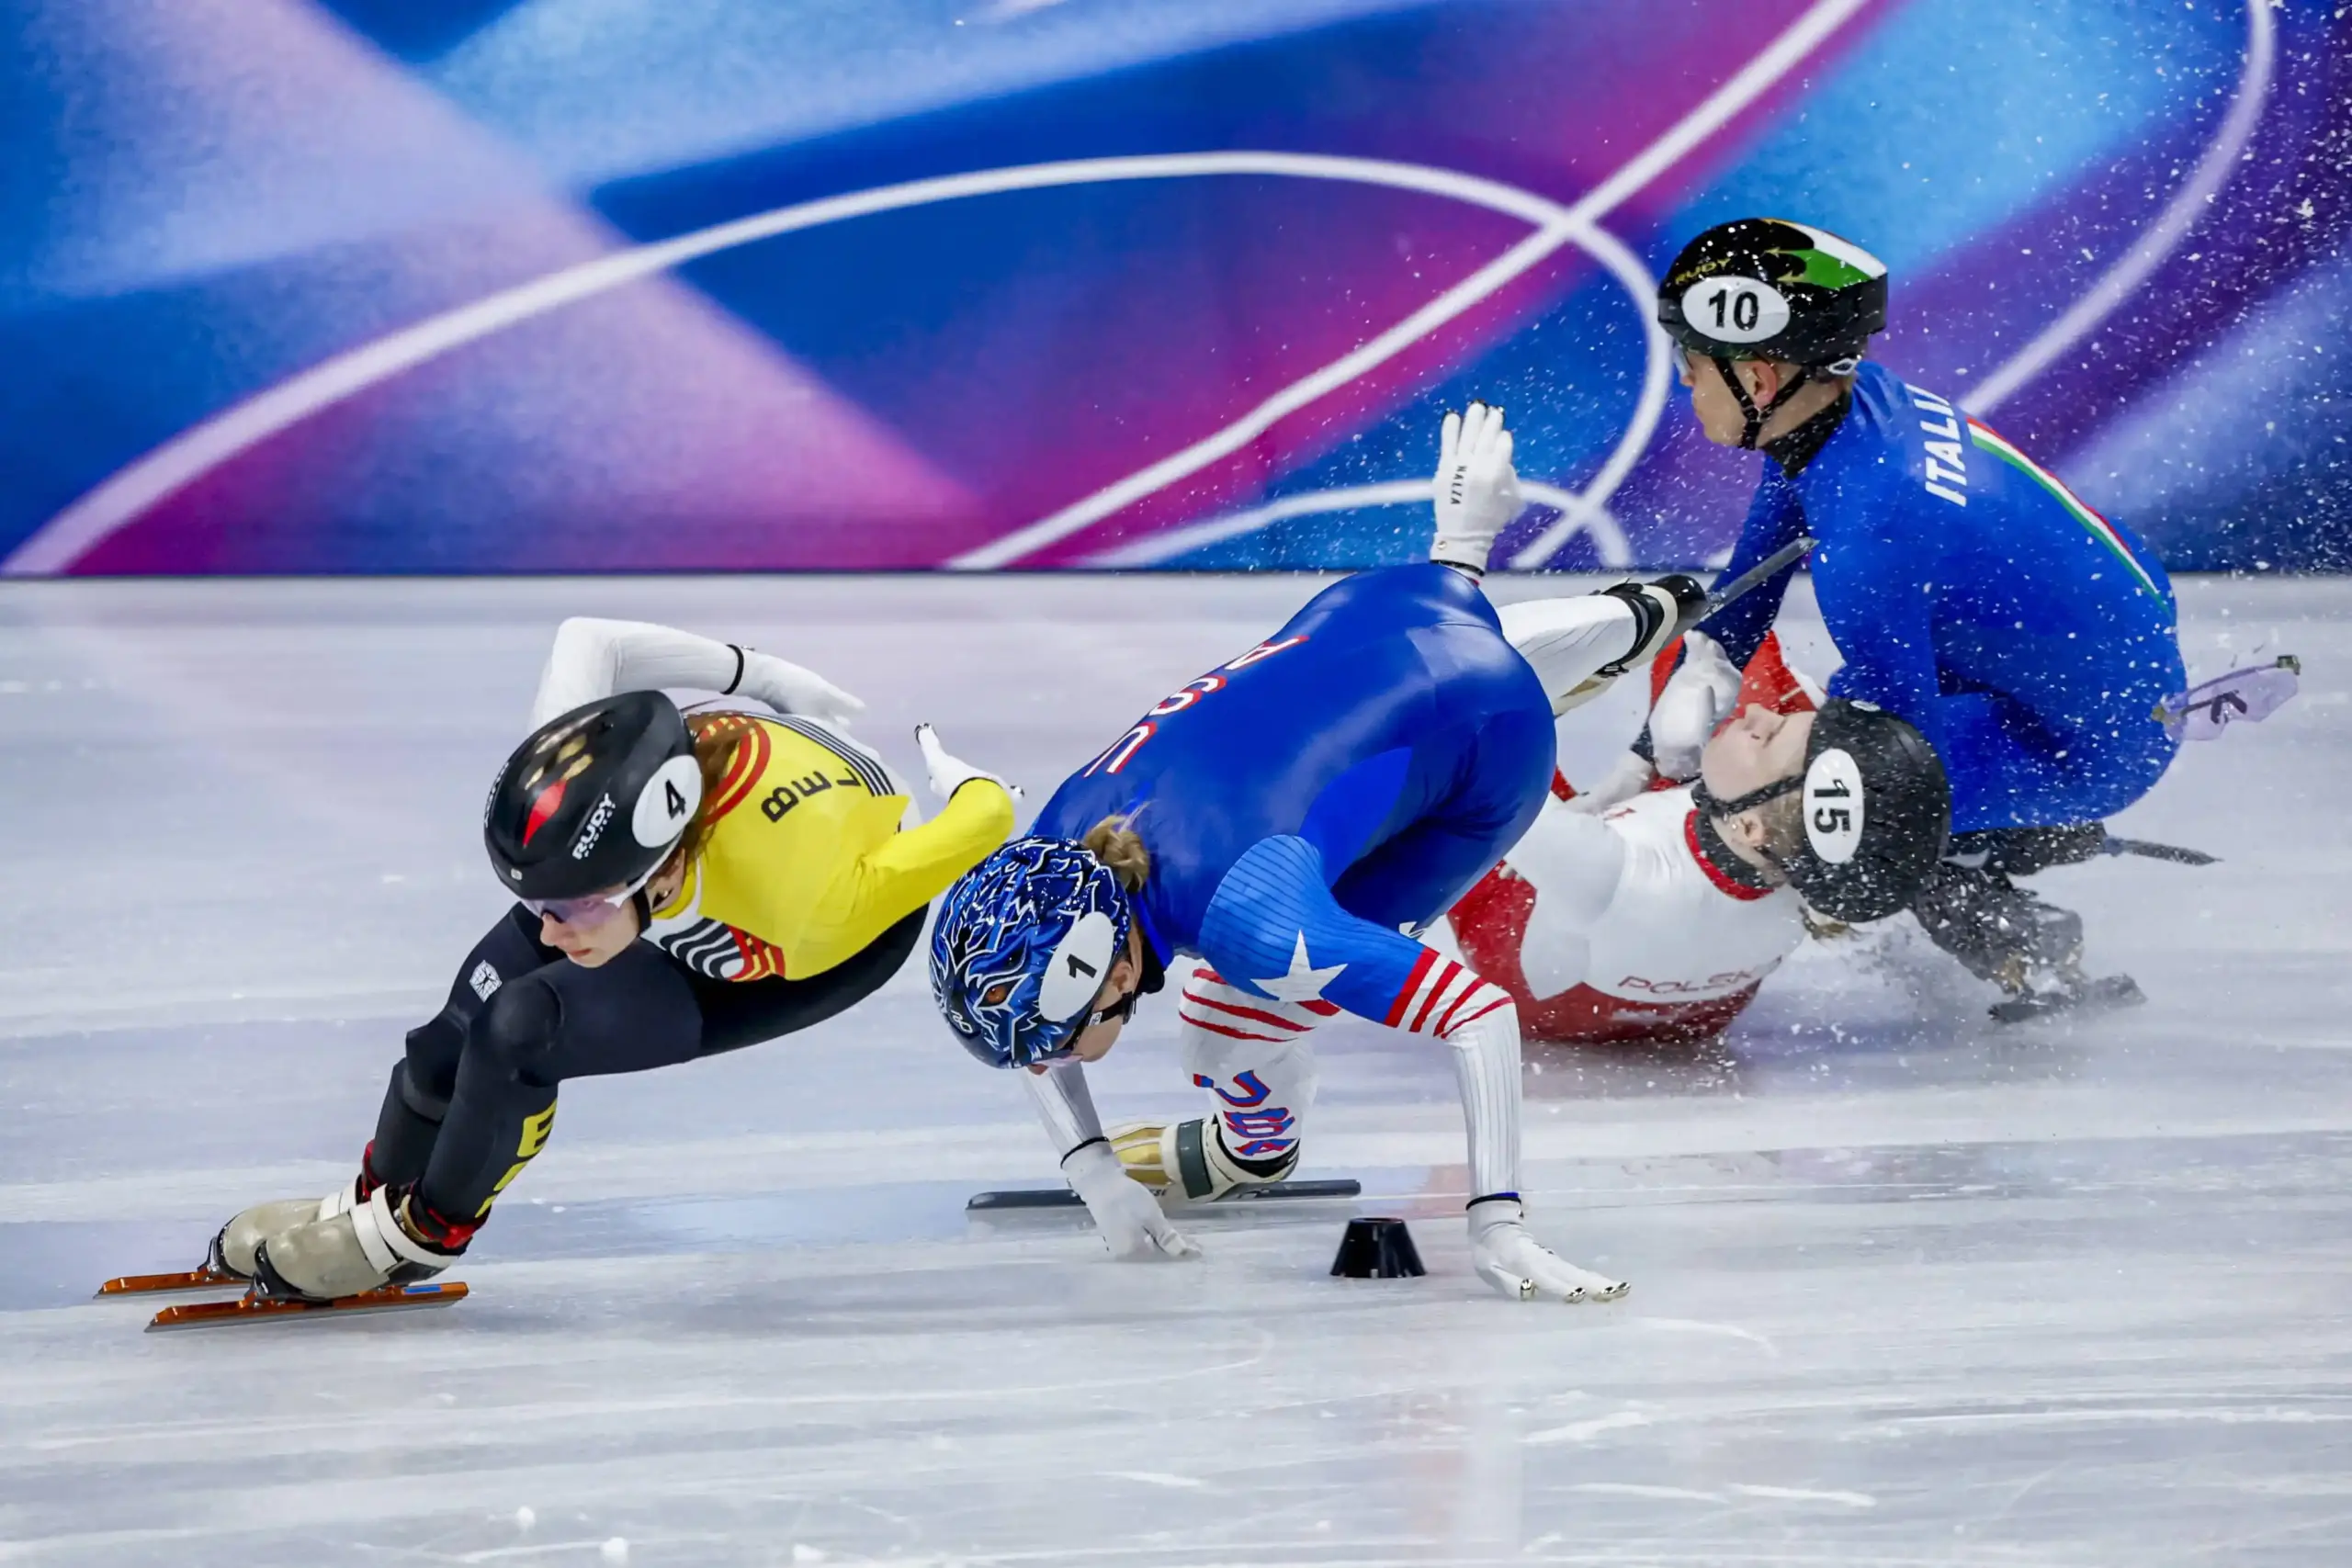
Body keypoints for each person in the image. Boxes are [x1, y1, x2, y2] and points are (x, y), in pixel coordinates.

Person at [209, 621, 1016, 1301]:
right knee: (445, 1041)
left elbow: (988, 816)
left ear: (655, 874)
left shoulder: (805, 904)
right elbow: (588, 639)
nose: (549, 932)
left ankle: (422, 1234)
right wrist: (759, 671)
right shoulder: (584, 780)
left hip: (811, 945)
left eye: (569, 911)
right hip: (686, 878)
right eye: (538, 907)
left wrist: (963, 778)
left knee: (520, 1030)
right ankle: (369, 1200)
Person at [1600, 216, 2188, 1014]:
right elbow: (1754, 573)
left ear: (1761, 380)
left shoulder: (1871, 538)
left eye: (1693, 364)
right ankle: (2003, 838)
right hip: (2112, 666)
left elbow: (1886, 776)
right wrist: (1658, 734)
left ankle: (2012, 923)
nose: (1683, 385)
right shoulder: (1850, 412)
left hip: (2086, 746)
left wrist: (1720, 829)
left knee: (1808, 807)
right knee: (1806, 742)